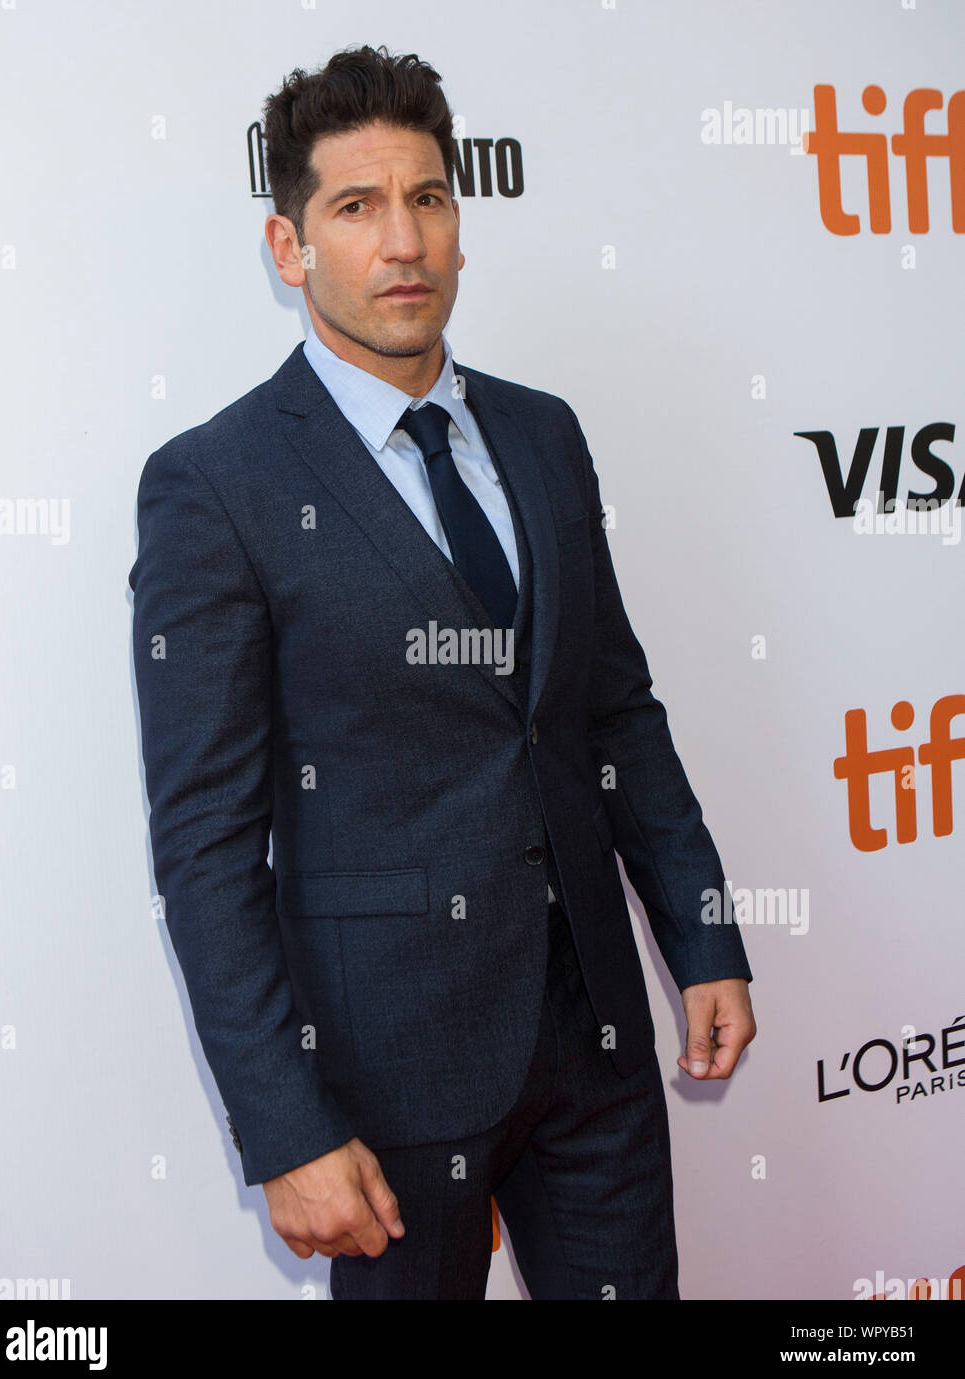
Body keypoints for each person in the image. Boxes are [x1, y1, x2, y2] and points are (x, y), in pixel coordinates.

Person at [128, 43, 756, 1300]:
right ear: (288, 247)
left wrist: (703, 932)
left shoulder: (541, 431)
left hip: (597, 1045)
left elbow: (612, 707)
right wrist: (286, 1127)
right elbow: (205, 839)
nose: (402, 241)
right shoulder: (217, 485)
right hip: (382, 1082)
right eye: (355, 207)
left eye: (427, 198)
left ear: (461, 223)